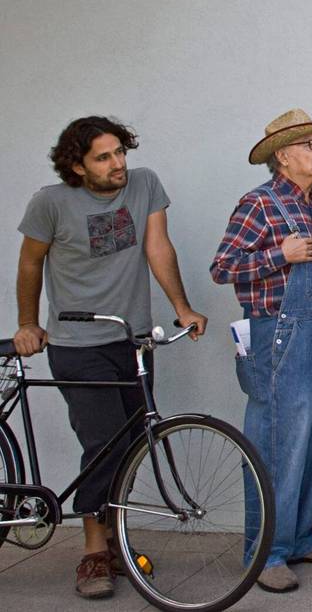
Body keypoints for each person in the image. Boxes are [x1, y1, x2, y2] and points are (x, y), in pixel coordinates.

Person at [13, 116, 208, 599]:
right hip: (77, 344)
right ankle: (93, 550)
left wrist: (182, 307)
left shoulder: (144, 185)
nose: (118, 163)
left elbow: (157, 247)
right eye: (103, 157)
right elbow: (30, 262)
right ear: (77, 165)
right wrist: (27, 323)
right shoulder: (51, 203)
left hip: (132, 340)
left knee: (131, 445)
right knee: (104, 444)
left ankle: (116, 540)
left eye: (121, 152)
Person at [209, 108, 312, 593]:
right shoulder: (259, 203)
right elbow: (223, 267)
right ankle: (265, 552)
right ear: (283, 156)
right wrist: (281, 255)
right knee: (276, 444)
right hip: (279, 337)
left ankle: (301, 538)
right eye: (311, 144)